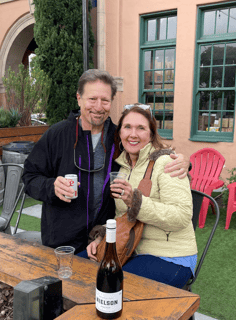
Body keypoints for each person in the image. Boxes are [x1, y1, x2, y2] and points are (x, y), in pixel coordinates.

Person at [22, 69, 190, 254]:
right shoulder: (57, 134)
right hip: (62, 239)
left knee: (101, 283)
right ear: (79, 98)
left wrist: (183, 162)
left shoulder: (120, 136)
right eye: (92, 99)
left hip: (104, 239)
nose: (98, 106)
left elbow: (152, 151)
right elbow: (29, 176)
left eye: (105, 100)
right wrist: (50, 186)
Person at [84, 103, 197, 288]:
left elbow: (182, 216)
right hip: (132, 251)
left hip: (171, 256)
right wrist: (101, 238)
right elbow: (121, 218)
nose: (133, 134)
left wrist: (136, 202)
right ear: (120, 133)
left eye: (141, 128)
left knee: (111, 284)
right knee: (80, 267)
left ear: (151, 134)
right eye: (127, 127)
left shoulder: (167, 163)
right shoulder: (122, 169)